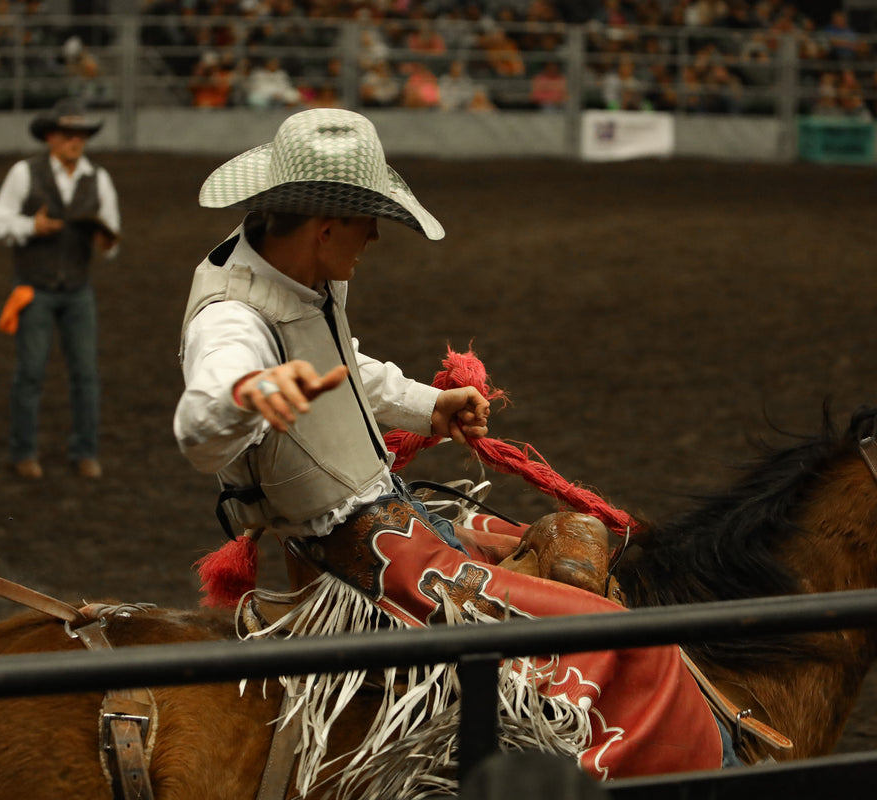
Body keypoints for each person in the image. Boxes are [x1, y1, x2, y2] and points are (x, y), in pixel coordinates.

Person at [174, 108, 728, 785]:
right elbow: (201, 422)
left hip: (383, 522)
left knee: (577, 542)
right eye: (368, 220)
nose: (375, 234)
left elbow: (341, 365)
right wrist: (247, 398)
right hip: (357, 565)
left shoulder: (295, 276)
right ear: (326, 228)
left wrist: (428, 406)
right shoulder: (232, 323)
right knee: (613, 635)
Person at [0, 97, 120, 479]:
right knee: (30, 373)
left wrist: (106, 242)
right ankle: (24, 452)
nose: (76, 140)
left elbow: (112, 237)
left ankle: (84, 451)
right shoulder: (23, 173)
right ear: (50, 137)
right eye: (68, 134)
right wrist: (31, 226)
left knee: (85, 375)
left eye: (81, 134)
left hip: (76, 289)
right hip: (36, 288)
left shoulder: (98, 178)